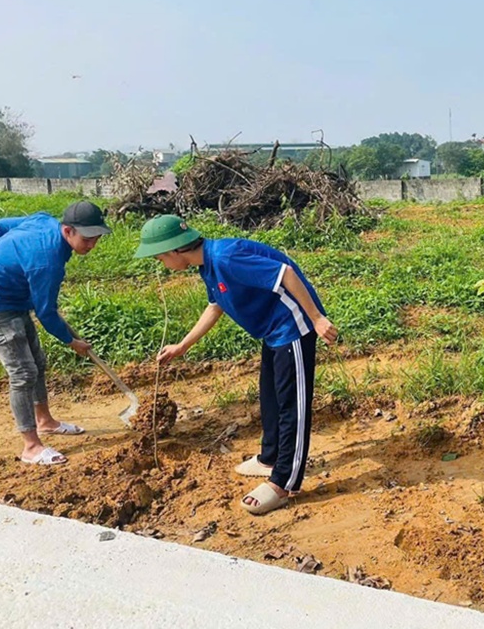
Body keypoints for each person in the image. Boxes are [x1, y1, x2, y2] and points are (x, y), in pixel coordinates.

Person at [134, 214, 338, 516]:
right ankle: (270, 458)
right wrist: (182, 346)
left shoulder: (227, 257)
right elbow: (215, 305)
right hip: (272, 331)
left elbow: (286, 274)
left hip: (293, 327)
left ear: (176, 250)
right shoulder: (207, 265)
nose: (163, 265)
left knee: (292, 406)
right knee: (270, 398)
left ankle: (284, 482)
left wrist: (318, 319)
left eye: (161, 258)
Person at [0, 201, 111, 466]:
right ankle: (31, 447)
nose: (92, 245)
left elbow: (0, 227)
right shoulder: (47, 263)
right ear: (67, 231)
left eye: (97, 238)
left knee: (38, 364)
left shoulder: (45, 220)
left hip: (15, 302)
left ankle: (45, 421)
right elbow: (46, 313)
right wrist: (72, 342)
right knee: (23, 374)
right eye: (88, 239)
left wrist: (6, 263)